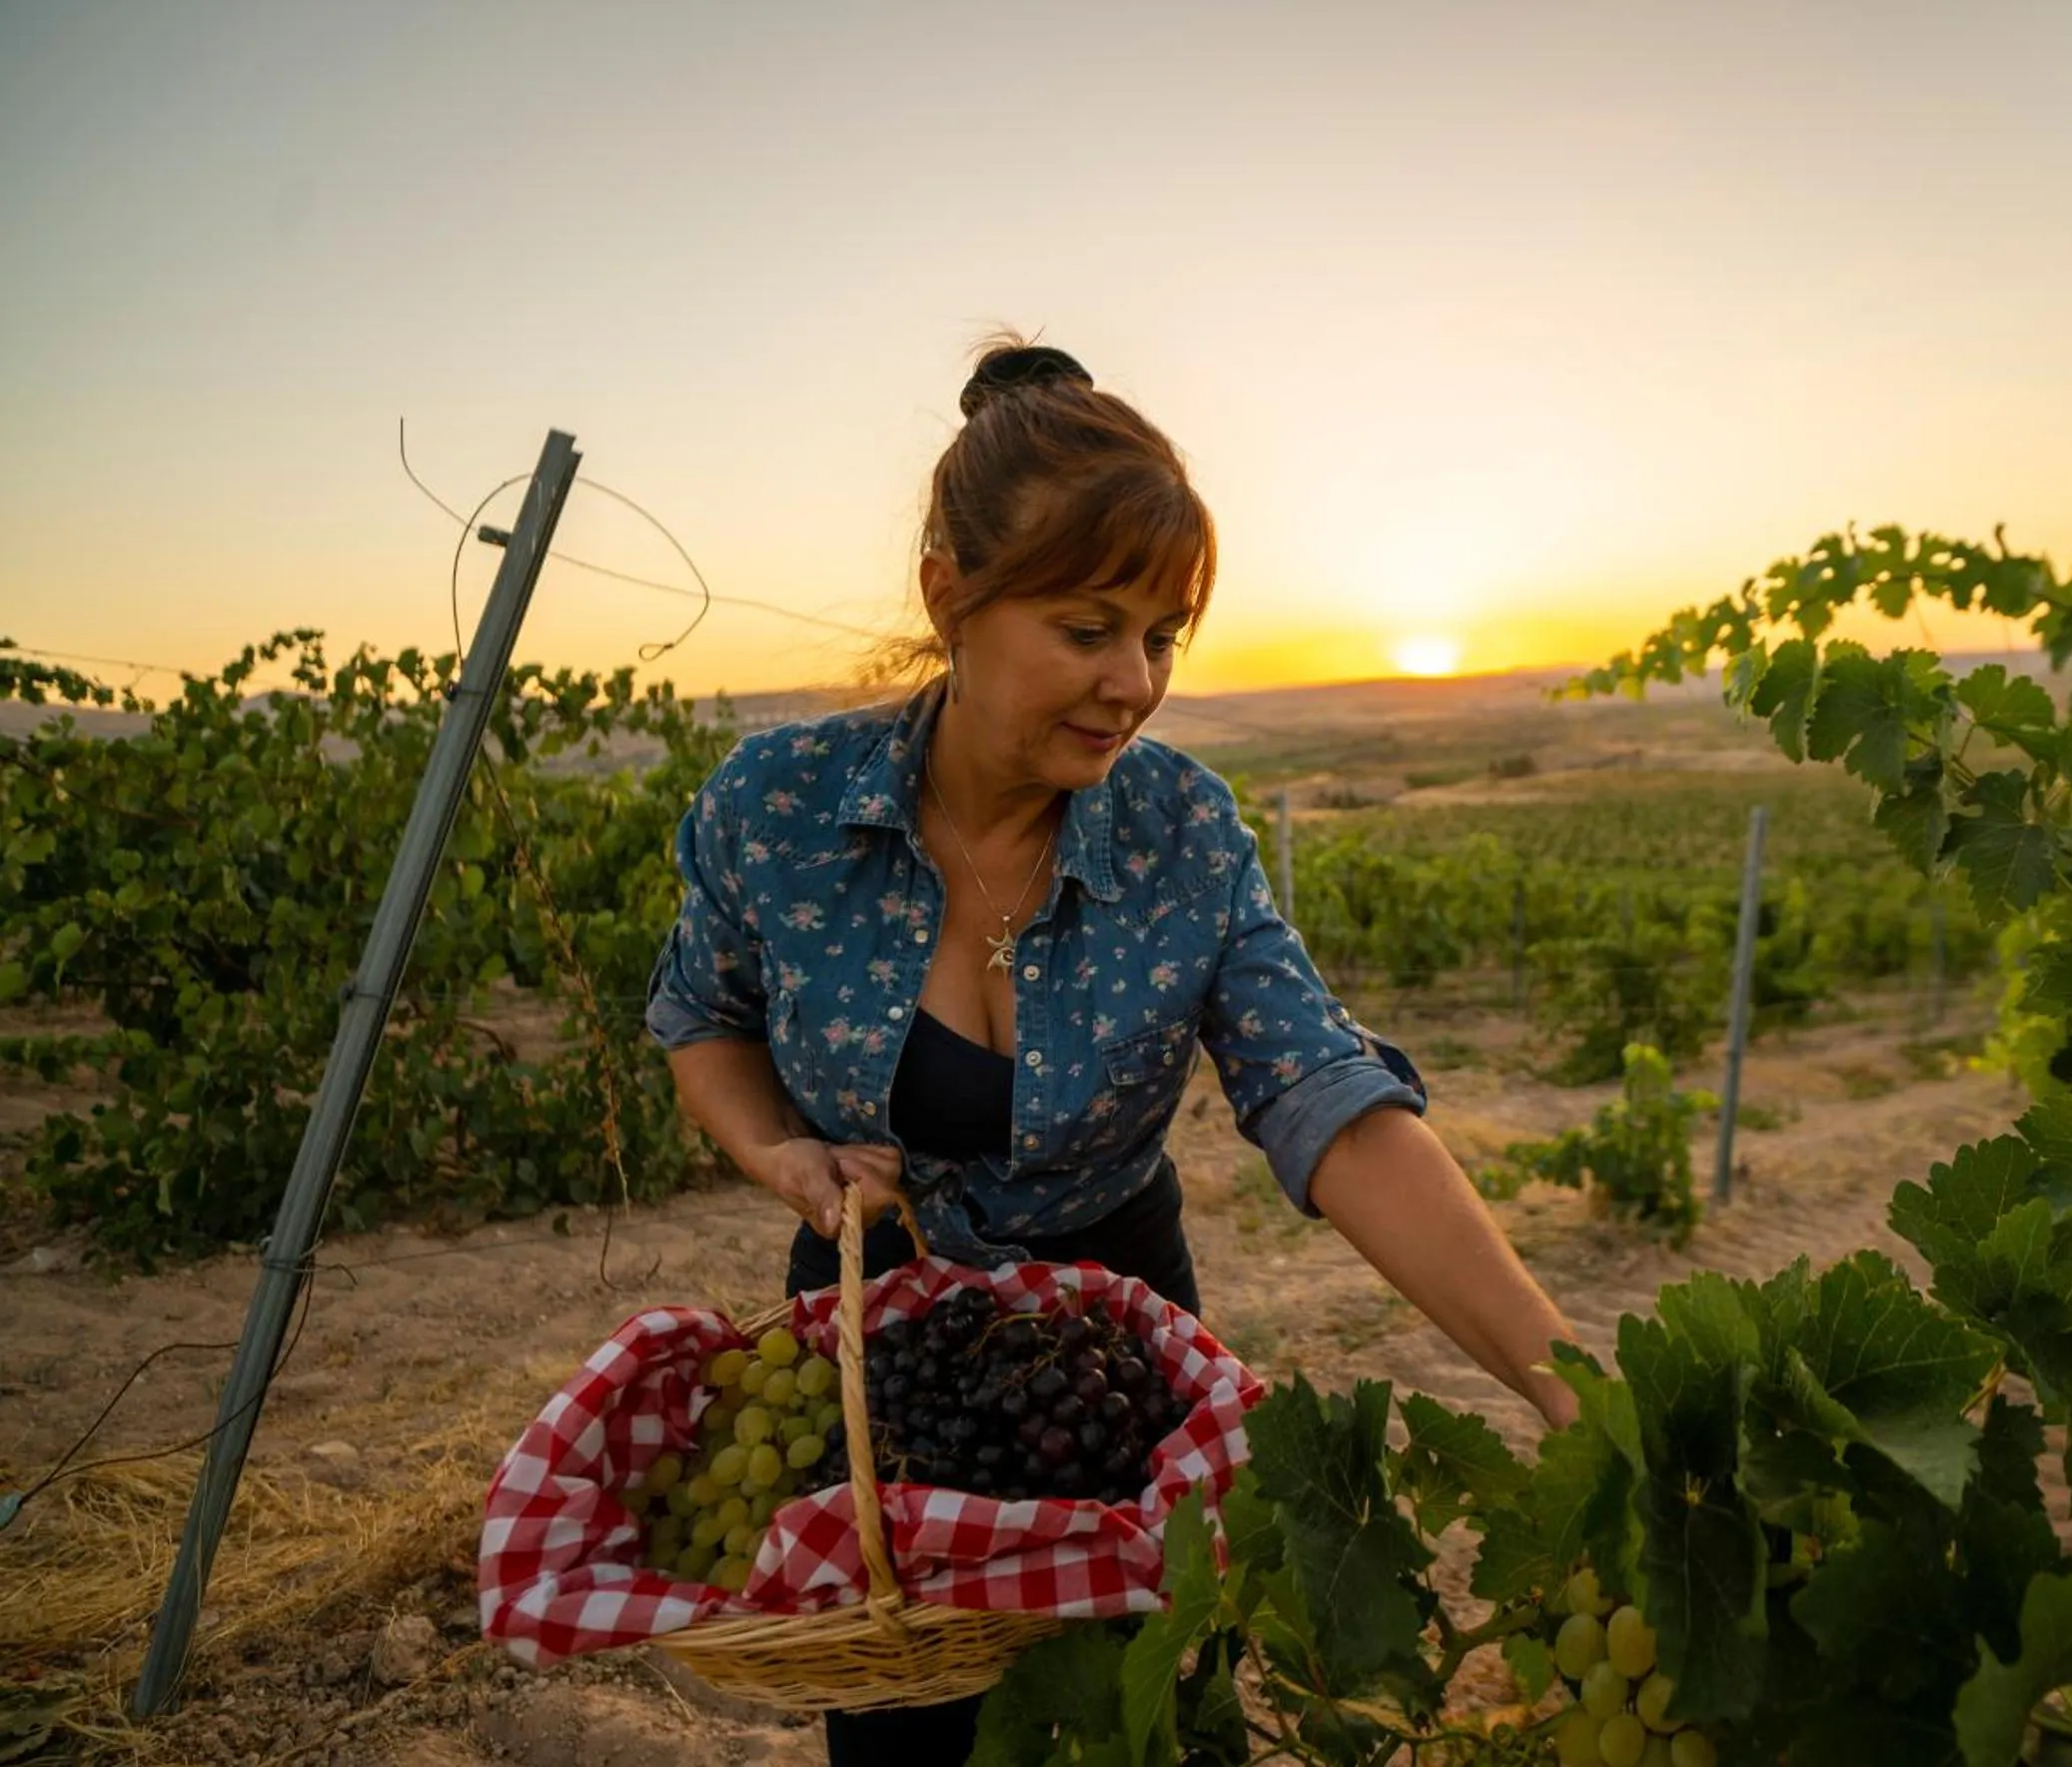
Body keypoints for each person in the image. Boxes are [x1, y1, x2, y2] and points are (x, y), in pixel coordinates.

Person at [643, 336, 1578, 1763]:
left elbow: (1322, 1093)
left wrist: (1557, 1373)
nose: (1133, 684)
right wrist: (772, 1146)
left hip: (1112, 1345)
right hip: (879, 1341)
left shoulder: (1182, 829)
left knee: (1142, 1720)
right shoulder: (774, 807)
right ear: (949, 596)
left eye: (1162, 638)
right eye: (1087, 630)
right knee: (911, 1729)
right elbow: (702, 1016)